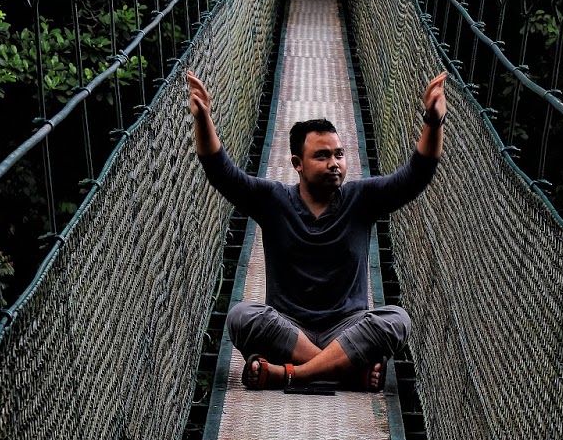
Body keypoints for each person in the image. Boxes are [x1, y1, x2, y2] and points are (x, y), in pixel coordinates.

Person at [187, 68, 446, 392]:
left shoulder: (360, 199)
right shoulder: (273, 200)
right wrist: (203, 118)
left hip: (347, 330)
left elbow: (416, 176)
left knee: (397, 320)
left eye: (339, 154)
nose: (334, 163)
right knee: (241, 315)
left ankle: (290, 375)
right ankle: (346, 373)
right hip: (290, 329)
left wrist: (433, 121)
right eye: (322, 156)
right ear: (297, 164)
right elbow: (221, 172)